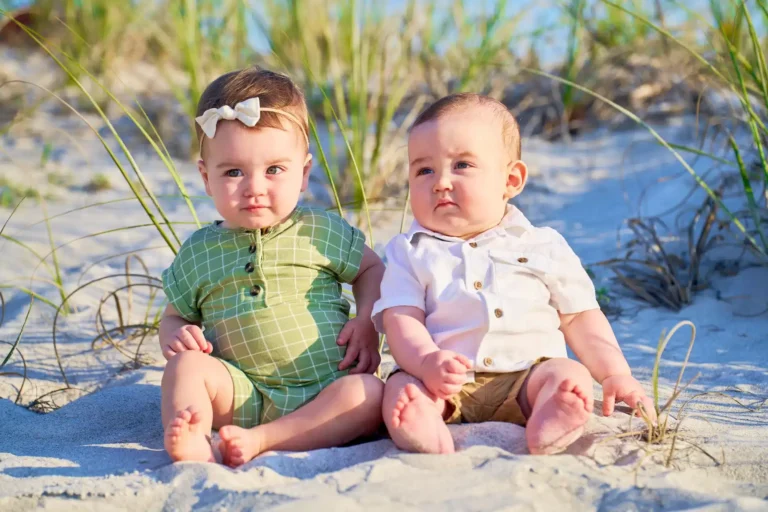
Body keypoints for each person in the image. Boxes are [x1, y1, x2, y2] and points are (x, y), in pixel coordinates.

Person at [373, 93, 656, 455]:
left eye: (462, 165)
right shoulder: (409, 251)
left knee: (567, 376)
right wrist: (427, 361)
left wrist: (615, 374)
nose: (441, 182)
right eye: (424, 170)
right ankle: (424, 422)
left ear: (511, 179)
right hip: (444, 381)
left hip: (528, 377)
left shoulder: (542, 245)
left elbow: (581, 316)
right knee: (402, 388)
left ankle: (553, 414)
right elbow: (401, 319)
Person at [160, 67, 385, 467]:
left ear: (303, 173)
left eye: (274, 170)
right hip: (243, 393)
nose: (254, 187)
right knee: (185, 368)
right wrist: (178, 336)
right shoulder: (198, 251)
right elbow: (174, 316)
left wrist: (366, 319)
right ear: (206, 178)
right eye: (233, 172)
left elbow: (371, 271)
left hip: (327, 389)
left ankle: (261, 441)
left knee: (369, 395)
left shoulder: (319, 229)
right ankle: (193, 436)